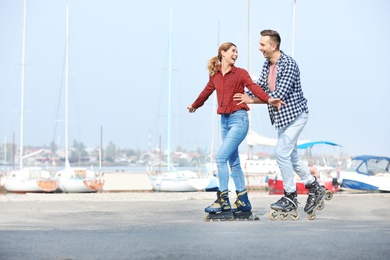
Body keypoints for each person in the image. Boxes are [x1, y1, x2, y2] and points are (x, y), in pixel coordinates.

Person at [187, 42, 284, 219]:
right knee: (233, 162)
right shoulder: (215, 76)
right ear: (222, 53)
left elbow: (254, 87)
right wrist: (194, 105)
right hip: (224, 121)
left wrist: (268, 99)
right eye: (233, 51)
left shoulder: (240, 73)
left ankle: (223, 199)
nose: (236, 54)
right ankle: (243, 200)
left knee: (220, 157)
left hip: (239, 119)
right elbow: (205, 93)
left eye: (237, 52)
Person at [233, 30, 325, 215]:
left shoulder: (288, 64)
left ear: (273, 46)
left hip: (296, 115)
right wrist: (243, 95)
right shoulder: (268, 64)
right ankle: (315, 187)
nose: (259, 48)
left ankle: (290, 196)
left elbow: (277, 96)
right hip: (282, 118)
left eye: (262, 45)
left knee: (281, 152)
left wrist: (251, 100)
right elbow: (260, 88)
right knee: (291, 157)